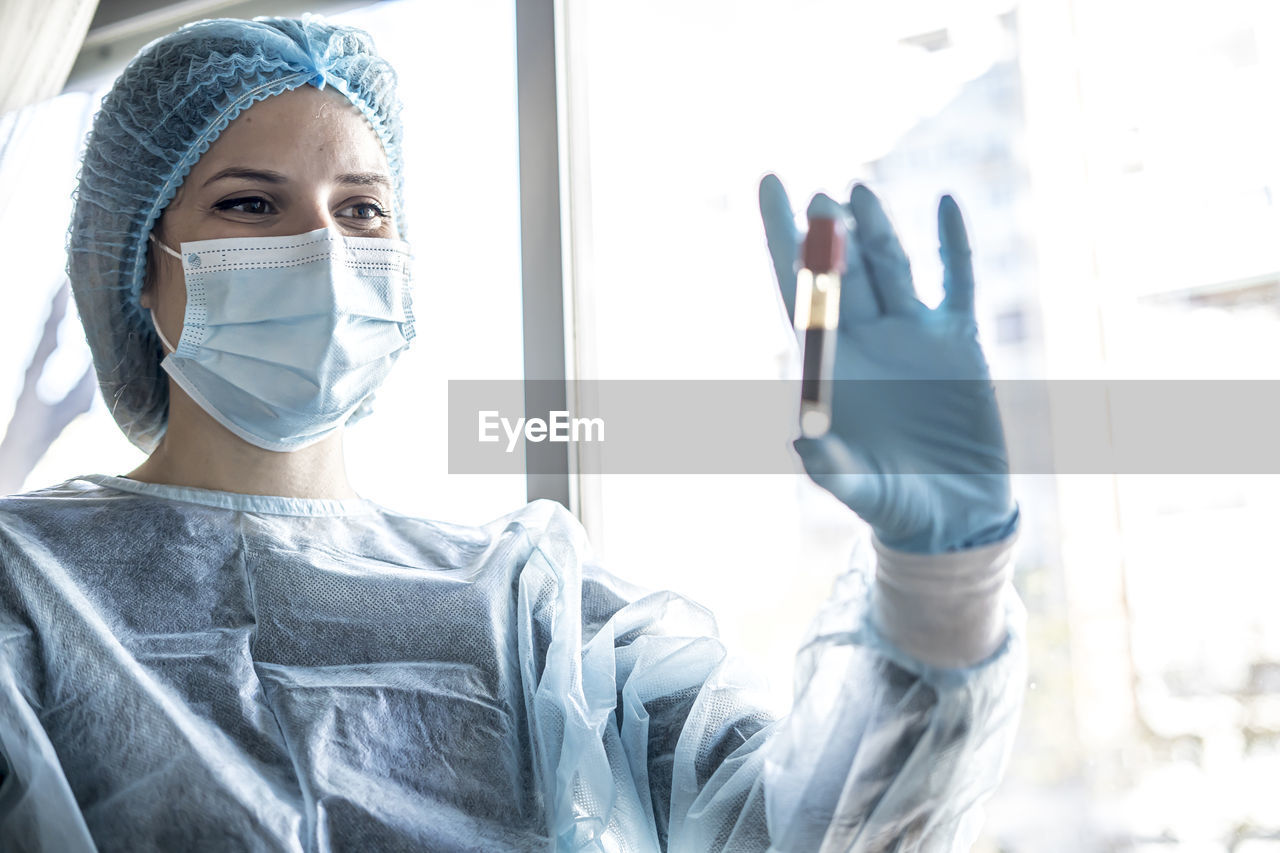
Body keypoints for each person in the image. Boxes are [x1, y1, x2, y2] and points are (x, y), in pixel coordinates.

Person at [0, 15, 1025, 853]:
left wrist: (941, 576)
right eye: (251, 203)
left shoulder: (530, 608)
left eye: (361, 210)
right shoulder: (26, 588)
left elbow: (813, 832)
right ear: (138, 264)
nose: (320, 245)